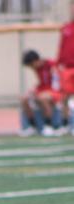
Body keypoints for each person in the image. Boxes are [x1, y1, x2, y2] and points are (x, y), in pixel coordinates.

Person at [20, 50, 62, 136]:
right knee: (24, 98)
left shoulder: (51, 65)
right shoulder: (37, 69)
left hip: (55, 91)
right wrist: (33, 90)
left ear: (36, 61)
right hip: (43, 90)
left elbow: (57, 83)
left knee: (42, 98)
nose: (32, 68)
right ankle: (32, 126)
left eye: (31, 65)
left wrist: (47, 92)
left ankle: (49, 126)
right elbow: (42, 84)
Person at [56, 1, 74, 132]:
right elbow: (61, 47)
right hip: (67, 68)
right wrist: (58, 63)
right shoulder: (66, 28)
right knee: (65, 96)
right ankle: (65, 123)